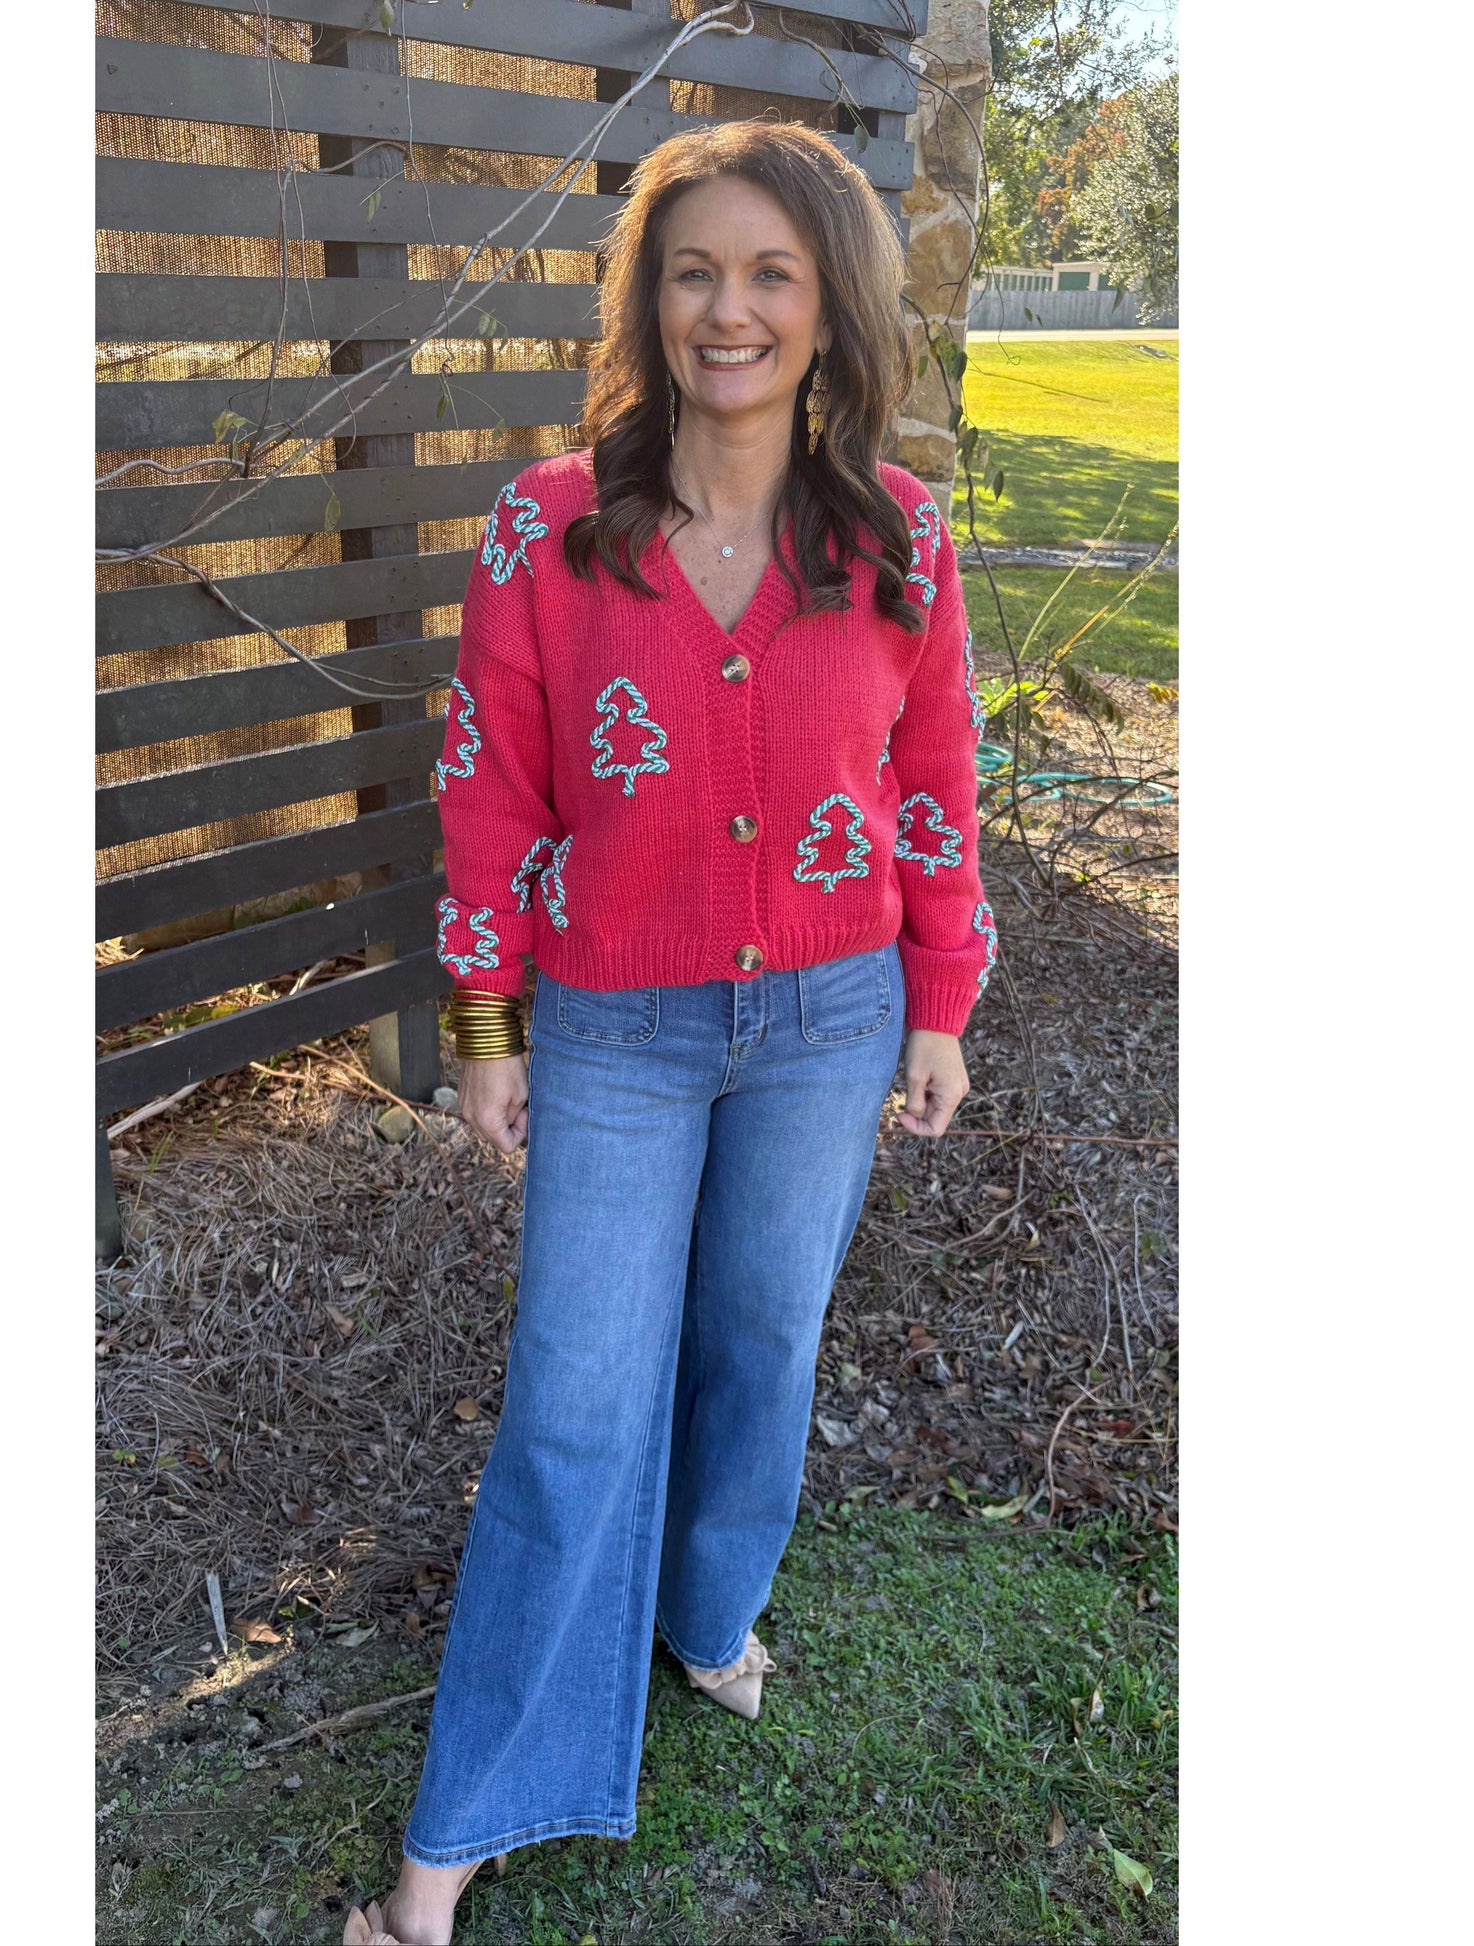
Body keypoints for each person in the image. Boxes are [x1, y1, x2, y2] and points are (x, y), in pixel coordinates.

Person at [343, 119, 996, 1946]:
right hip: (613, 1029)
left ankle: (705, 1607)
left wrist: (936, 1003)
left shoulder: (897, 541)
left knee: (762, 1345)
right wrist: (486, 1027)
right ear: (651, 297)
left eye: (770, 273)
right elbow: (487, 796)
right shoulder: (548, 527)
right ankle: (459, 1827)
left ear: (827, 305)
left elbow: (933, 789)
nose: (731, 308)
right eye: (694, 270)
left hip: (826, 1018)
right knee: (574, 1401)